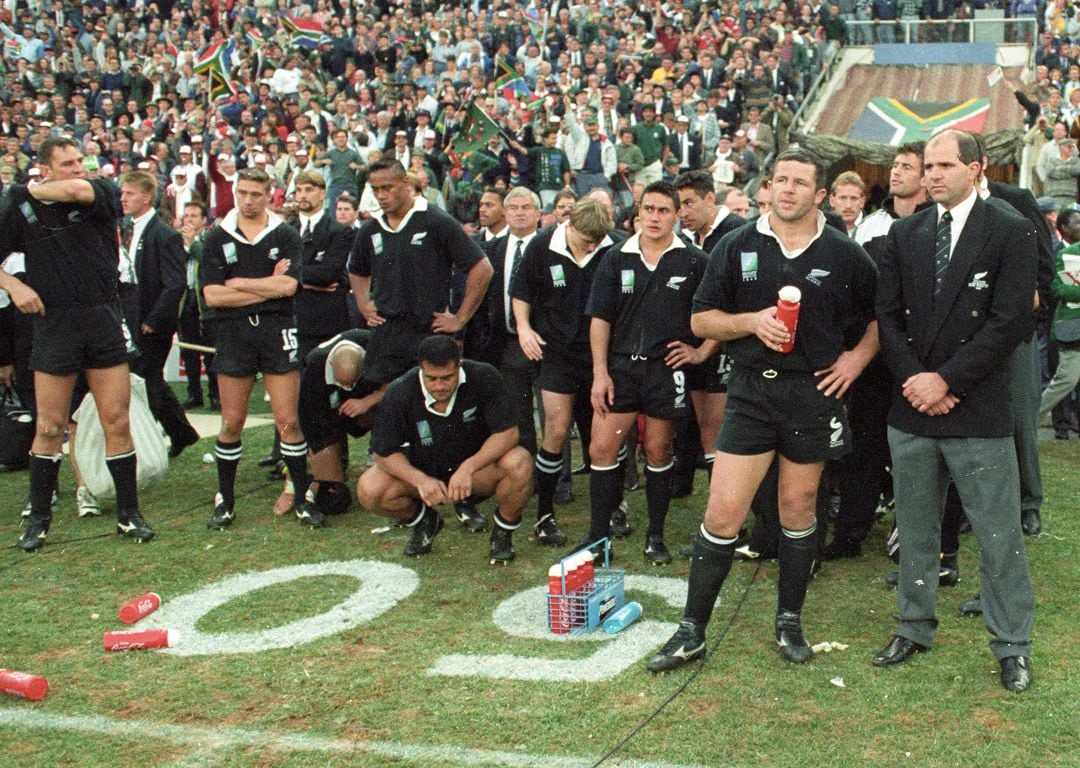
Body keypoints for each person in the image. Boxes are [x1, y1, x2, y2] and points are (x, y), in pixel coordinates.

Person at [647, 147, 878, 671]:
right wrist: (751, 322)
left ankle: (789, 621)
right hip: (751, 390)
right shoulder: (736, 244)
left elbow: (878, 319)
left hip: (811, 394)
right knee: (724, 511)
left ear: (820, 194)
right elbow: (702, 320)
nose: (788, 189)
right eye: (780, 180)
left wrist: (854, 363)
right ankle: (691, 631)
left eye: (800, 182)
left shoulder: (845, 254)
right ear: (768, 187)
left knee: (799, 508)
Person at [871, 130, 1036, 693]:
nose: (933, 175)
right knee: (915, 530)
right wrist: (918, 381)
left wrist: (947, 380)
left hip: (977, 408)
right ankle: (912, 626)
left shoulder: (1010, 230)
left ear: (976, 168)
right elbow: (887, 318)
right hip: (913, 407)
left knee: (997, 535)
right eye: (928, 166)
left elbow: (1011, 321)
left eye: (944, 165)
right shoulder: (904, 232)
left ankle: (1012, 644)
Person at [0, 137, 155, 550]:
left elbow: (73, 190)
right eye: (66, 163)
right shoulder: (20, 209)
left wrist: (21, 188)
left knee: (116, 421)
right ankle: (38, 520)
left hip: (103, 317)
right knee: (49, 426)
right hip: (55, 323)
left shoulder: (98, 191)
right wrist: (13, 284)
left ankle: (128, 514)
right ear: (45, 167)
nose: (76, 168)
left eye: (78, 160)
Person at [584, 180, 715, 564]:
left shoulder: (694, 261)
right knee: (602, 448)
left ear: (677, 215)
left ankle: (655, 535)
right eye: (648, 209)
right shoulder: (615, 257)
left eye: (663, 210)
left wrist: (701, 351)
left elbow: (715, 312)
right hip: (620, 368)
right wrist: (600, 373)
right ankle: (597, 537)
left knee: (658, 449)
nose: (655, 217)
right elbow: (599, 319)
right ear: (637, 212)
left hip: (664, 370)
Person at [200, 167, 324, 530]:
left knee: (287, 420)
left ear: (270, 195)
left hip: (277, 329)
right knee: (233, 420)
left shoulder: (284, 234)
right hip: (234, 333)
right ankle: (225, 499)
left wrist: (238, 284)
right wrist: (263, 286)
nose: (249, 200)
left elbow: (287, 288)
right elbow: (212, 295)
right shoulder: (216, 236)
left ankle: (301, 497)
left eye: (256, 193)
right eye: (243, 192)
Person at [356, 334, 533, 563]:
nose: (439, 386)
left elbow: (508, 433)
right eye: (431, 378)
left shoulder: (483, 375)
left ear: (459, 364)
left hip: (476, 474)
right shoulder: (400, 390)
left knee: (519, 462)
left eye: (447, 377)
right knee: (370, 488)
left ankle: (502, 533)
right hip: (426, 473)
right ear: (421, 369)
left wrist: (469, 467)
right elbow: (383, 451)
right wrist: (420, 480)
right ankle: (424, 521)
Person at [512, 197, 615, 547]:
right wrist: (524, 329)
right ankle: (544, 515)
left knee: (601, 434)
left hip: (601, 355)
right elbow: (520, 292)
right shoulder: (542, 245)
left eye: (597, 240)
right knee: (555, 430)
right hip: (555, 352)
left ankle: (613, 508)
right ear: (569, 224)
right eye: (587, 239)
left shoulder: (611, 248)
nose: (592, 245)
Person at [348, 159, 492, 386]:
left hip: (427, 331)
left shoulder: (436, 220)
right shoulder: (371, 227)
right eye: (375, 190)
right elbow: (356, 270)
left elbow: (482, 268)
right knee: (379, 405)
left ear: (405, 183)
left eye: (387, 187)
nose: (381, 195)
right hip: (385, 331)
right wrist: (364, 303)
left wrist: (460, 318)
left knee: (427, 404)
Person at [118, 170, 201, 459]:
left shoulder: (163, 234)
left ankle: (146, 443)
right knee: (150, 377)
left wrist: (155, 320)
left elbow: (175, 283)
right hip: (129, 319)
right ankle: (182, 433)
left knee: (144, 380)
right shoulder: (127, 227)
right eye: (122, 192)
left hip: (151, 323)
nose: (123, 198)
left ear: (146, 196)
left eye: (129, 193)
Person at [299, 329, 382, 517]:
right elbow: (312, 426)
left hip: (371, 400)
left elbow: (399, 387)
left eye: (350, 384)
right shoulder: (314, 368)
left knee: (388, 408)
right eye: (342, 384)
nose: (346, 389)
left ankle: (382, 460)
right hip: (329, 406)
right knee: (335, 496)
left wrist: (367, 402)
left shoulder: (379, 349)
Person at [292, 170, 354, 361]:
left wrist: (292, 279)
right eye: (299, 190)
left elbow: (329, 273)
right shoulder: (285, 231)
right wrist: (305, 281)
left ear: (322, 194)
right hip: (294, 318)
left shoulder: (339, 231)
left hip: (327, 320)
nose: (302, 195)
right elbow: (272, 273)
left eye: (308, 190)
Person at [177, 200, 219, 411]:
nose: (189, 220)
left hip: (206, 303)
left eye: (194, 216)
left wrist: (193, 243)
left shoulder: (210, 239)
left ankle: (215, 395)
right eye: (186, 216)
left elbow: (208, 261)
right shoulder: (176, 241)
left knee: (210, 352)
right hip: (185, 301)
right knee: (189, 353)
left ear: (203, 220)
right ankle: (194, 394)